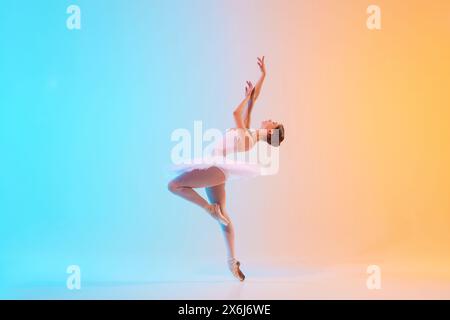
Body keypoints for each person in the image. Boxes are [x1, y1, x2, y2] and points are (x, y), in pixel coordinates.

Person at [168, 57, 285, 281]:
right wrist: (263, 76)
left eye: (273, 122)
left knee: (174, 185)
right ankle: (233, 263)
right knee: (224, 217)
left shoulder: (249, 138)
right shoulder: (250, 133)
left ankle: (206, 207)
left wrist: (244, 98)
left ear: (271, 133)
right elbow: (254, 100)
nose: (270, 119)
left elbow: (235, 114)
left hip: (215, 167)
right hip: (218, 171)